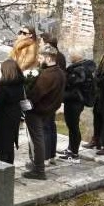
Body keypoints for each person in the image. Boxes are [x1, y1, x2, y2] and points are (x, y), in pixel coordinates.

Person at [23, 44, 66, 180]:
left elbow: (35, 94)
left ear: (48, 58)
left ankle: (39, 170)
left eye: (41, 57)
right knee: (39, 138)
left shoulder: (47, 75)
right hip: (49, 110)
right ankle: (37, 164)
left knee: (37, 139)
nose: (39, 60)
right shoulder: (60, 73)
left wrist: (26, 97)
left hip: (37, 111)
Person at [59, 52, 96, 160]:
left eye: (71, 54)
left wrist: (66, 78)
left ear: (76, 57)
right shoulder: (81, 68)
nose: (70, 56)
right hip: (74, 101)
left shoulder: (79, 69)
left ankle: (74, 152)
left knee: (73, 127)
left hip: (75, 101)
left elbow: (72, 83)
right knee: (72, 127)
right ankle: (71, 148)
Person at [0, 59, 25, 164]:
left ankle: (3, 171)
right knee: (9, 146)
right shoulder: (20, 83)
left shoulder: (3, 86)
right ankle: (9, 167)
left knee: (3, 147)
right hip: (15, 116)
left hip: (4, 118)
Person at [38, 33, 66, 163]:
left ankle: (45, 156)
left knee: (45, 128)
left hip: (47, 101)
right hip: (55, 100)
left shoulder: (51, 66)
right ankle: (51, 155)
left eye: (41, 42)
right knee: (51, 127)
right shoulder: (61, 58)